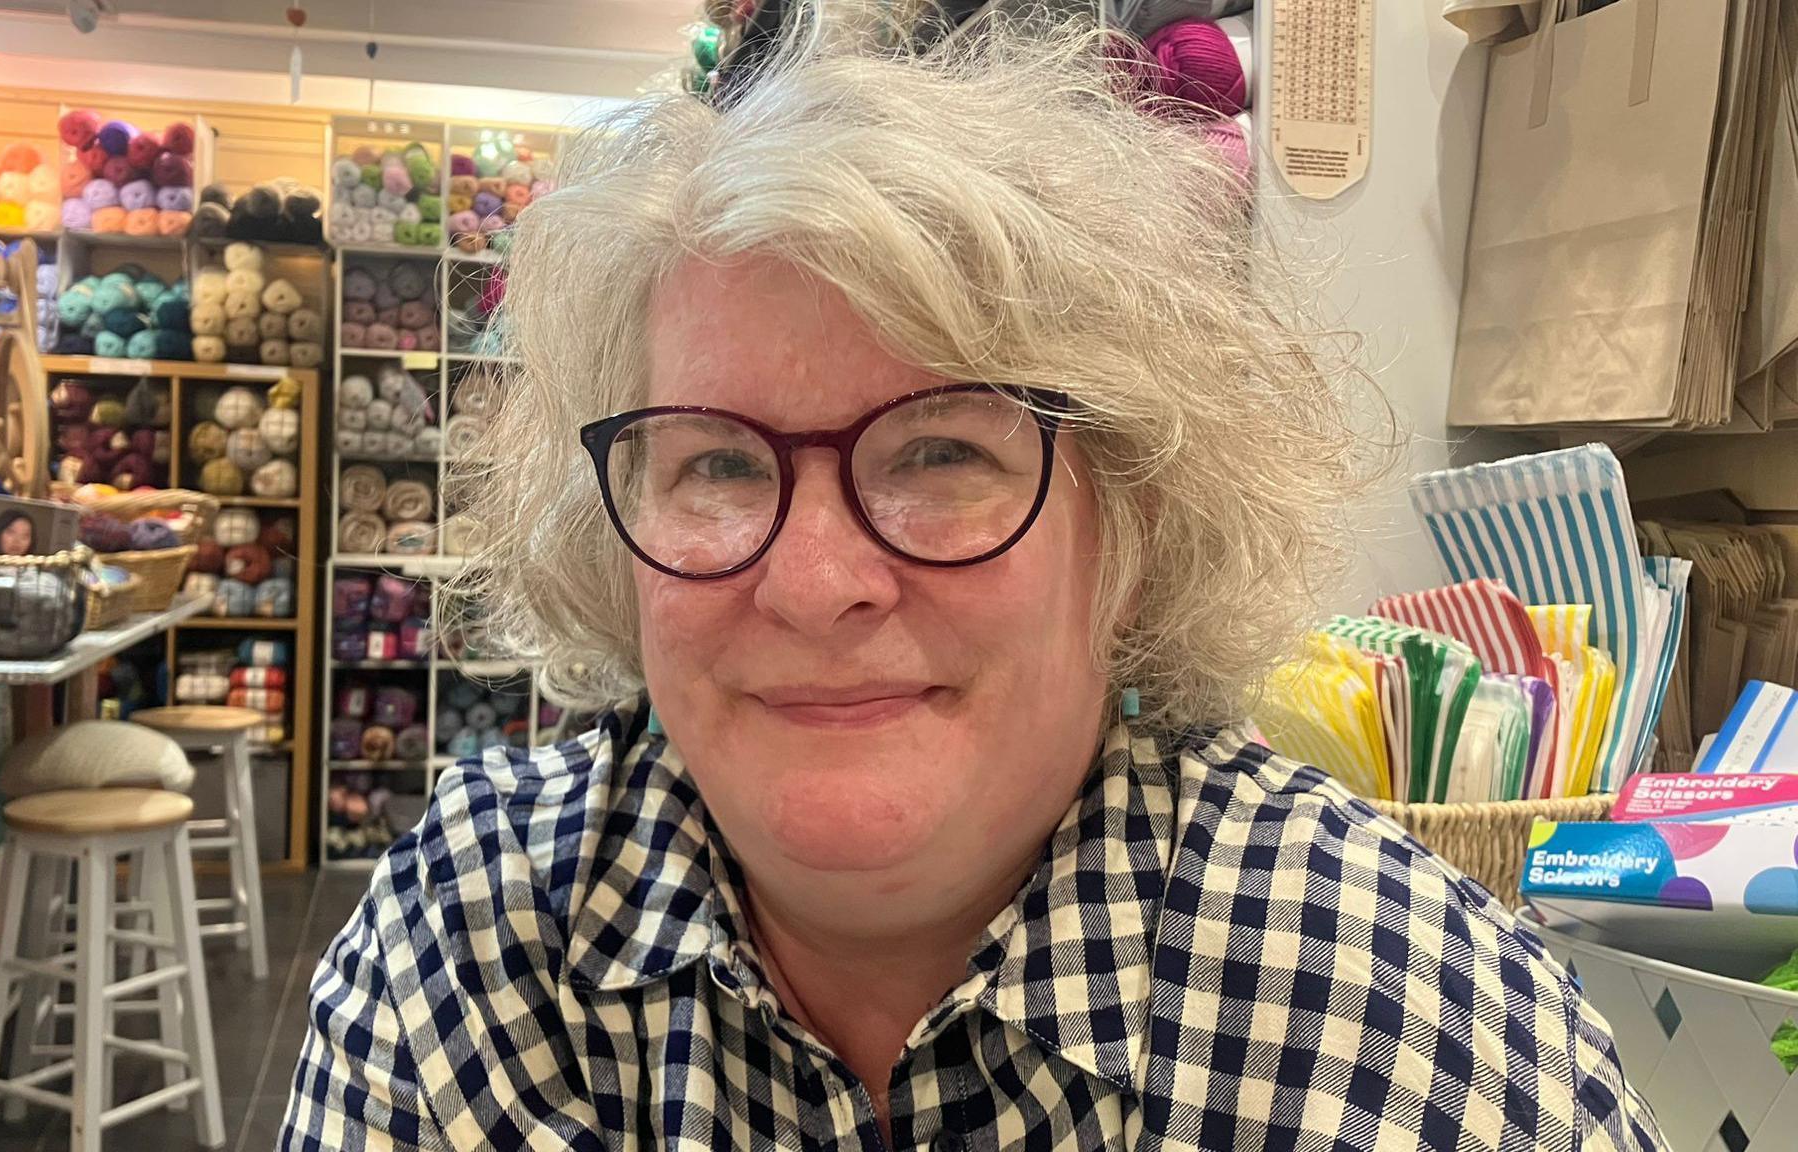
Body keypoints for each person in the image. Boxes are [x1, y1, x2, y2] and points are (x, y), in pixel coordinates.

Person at [281, 11, 1667, 1152]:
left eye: (942, 450)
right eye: (714, 466)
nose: (817, 582)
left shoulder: (1421, 1042)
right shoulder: (470, 947)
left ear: (1129, 527)